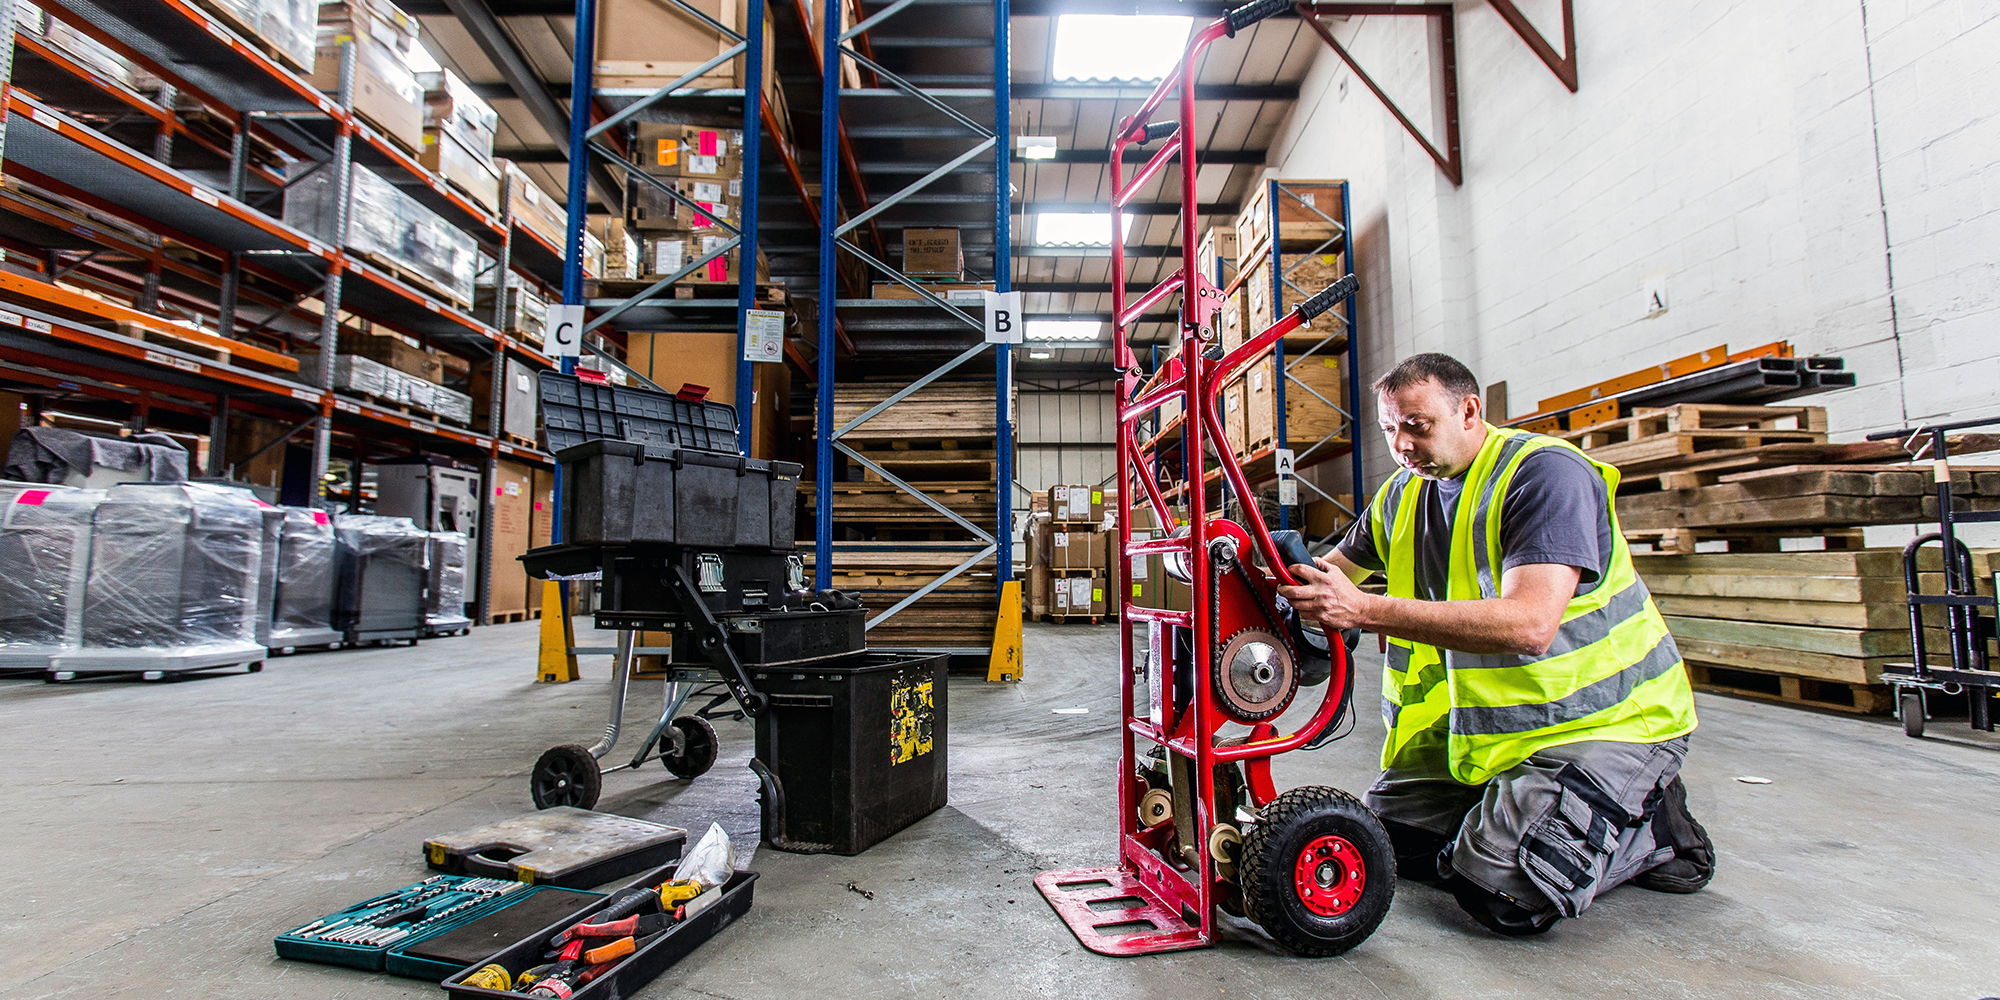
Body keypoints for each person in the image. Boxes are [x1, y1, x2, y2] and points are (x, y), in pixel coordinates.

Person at [1277, 352, 1715, 936]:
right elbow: (1328, 577)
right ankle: (1523, 815)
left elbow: (1530, 625)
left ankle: (1655, 826)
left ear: (1469, 411)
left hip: (1609, 725)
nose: (1402, 445)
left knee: (1501, 888)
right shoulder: (1402, 495)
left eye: (1417, 425)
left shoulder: (1545, 476)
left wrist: (1366, 612)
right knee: (1386, 841)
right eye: (1389, 429)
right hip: (1498, 738)